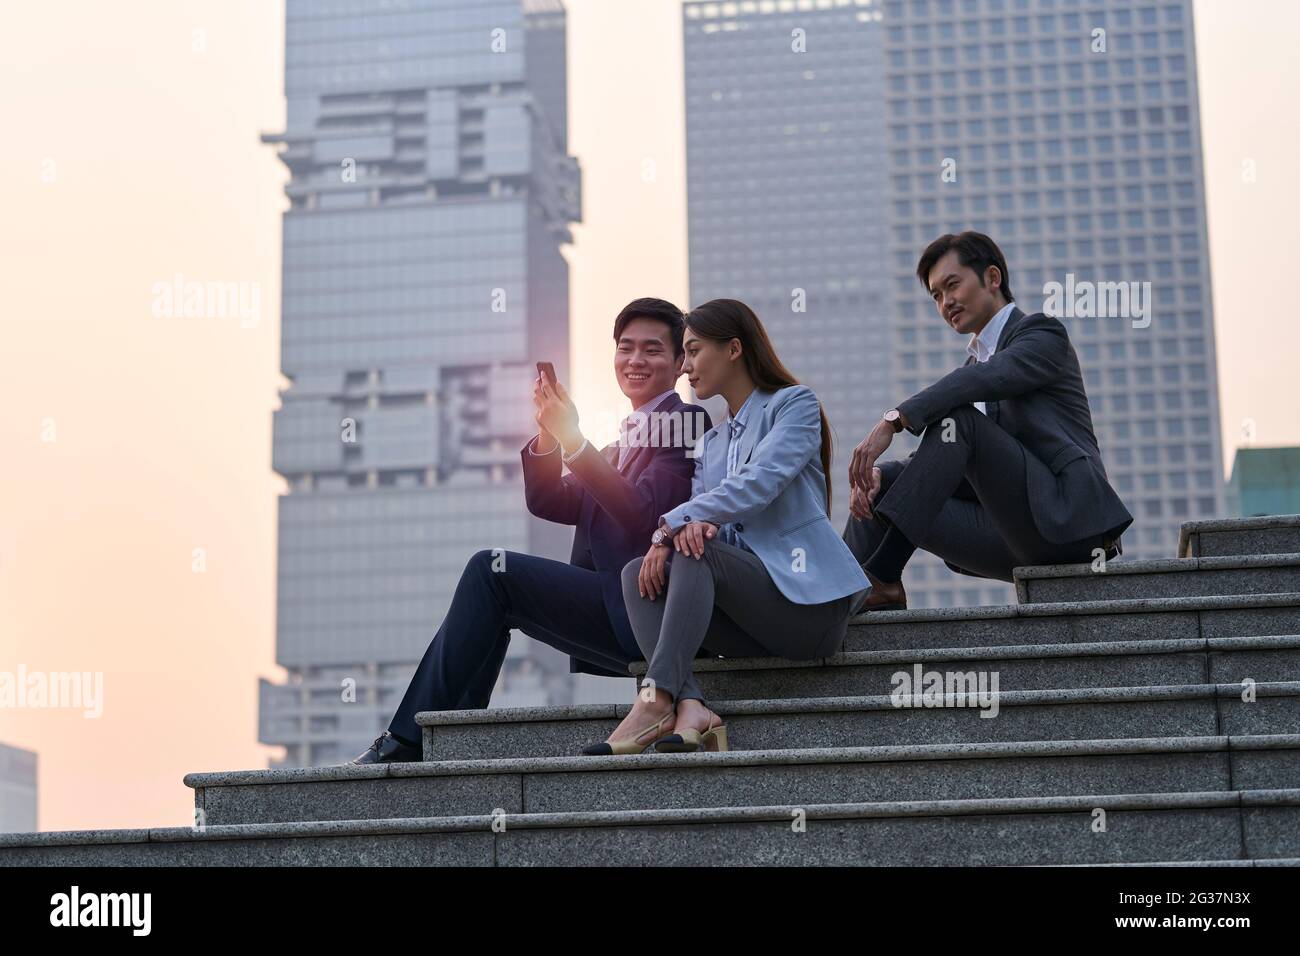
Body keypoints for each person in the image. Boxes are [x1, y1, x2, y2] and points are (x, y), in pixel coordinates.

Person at [352, 298, 711, 763]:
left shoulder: (685, 423)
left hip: (642, 607)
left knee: (491, 571)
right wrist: (548, 434)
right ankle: (440, 734)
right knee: (494, 585)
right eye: (626, 348)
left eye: (652, 350)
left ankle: (407, 740)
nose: (636, 360)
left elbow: (645, 514)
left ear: (681, 362)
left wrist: (575, 442)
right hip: (605, 603)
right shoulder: (617, 445)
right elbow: (549, 501)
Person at [595, 299, 869, 757]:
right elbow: (712, 527)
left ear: (735, 349)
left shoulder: (792, 406)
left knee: (684, 547)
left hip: (809, 613)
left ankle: (655, 698)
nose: (686, 367)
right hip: (748, 619)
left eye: (695, 350)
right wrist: (687, 530)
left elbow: (758, 483)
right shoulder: (710, 443)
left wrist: (673, 525)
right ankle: (690, 704)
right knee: (637, 573)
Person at [844, 231, 1133, 611]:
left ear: (992, 278)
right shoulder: (971, 370)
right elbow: (931, 464)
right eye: (935, 295)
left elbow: (992, 377)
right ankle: (841, 592)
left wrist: (895, 420)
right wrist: (879, 474)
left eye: (952, 285)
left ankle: (882, 572)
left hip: (1069, 524)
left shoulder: (1041, 334)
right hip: (1009, 537)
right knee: (879, 485)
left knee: (958, 421)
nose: (946, 302)